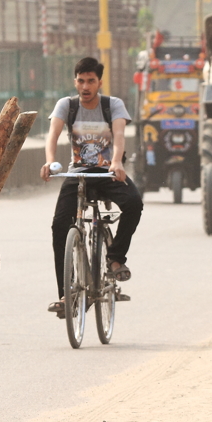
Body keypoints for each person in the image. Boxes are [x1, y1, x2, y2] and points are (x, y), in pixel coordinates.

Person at [41, 57, 143, 318]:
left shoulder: (113, 105)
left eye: (91, 81)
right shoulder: (67, 105)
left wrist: (117, 162)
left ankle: (115, 257)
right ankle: (66, 294)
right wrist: (50, 161)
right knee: (60, 225)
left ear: (99, 82)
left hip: (108, 171)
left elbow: (119, 135)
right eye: (81, 80)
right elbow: (52, 134)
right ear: (75, 81)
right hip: (78, 172)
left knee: (133, 203)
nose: (85, 86)